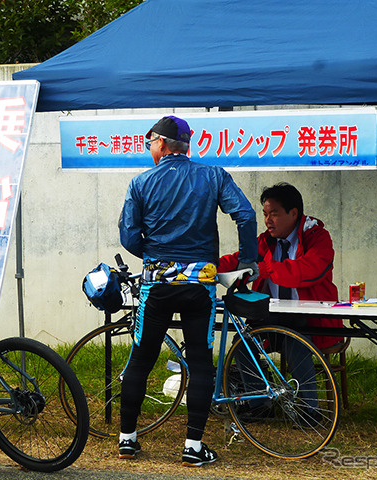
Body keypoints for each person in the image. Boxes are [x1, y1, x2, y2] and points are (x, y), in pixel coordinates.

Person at [118, 115, 258, 467]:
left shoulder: (141, 183)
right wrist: (248, 261)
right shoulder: (213, 175)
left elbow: (129, 236)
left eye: (151, 142)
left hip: (157, 285)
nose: (150, 148)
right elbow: (245, 214)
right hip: (200, 286)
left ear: (162, 144)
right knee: (199, 362)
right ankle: (193, 446)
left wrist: (156, 255)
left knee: (141, 359)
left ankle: (127, 439)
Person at [219, 182, 343, 421]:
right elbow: (238, 260)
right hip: (271, 317)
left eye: (274, 214)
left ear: (293, 213)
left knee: (295, 341)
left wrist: (266, 269)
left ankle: (310, 411)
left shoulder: (317, 237)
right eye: (265, 214)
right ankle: (260, 406)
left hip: (311, 320)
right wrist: (208, 266)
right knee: (243, 343)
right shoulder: (266, 241)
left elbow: (309, 270)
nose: (268, 220)